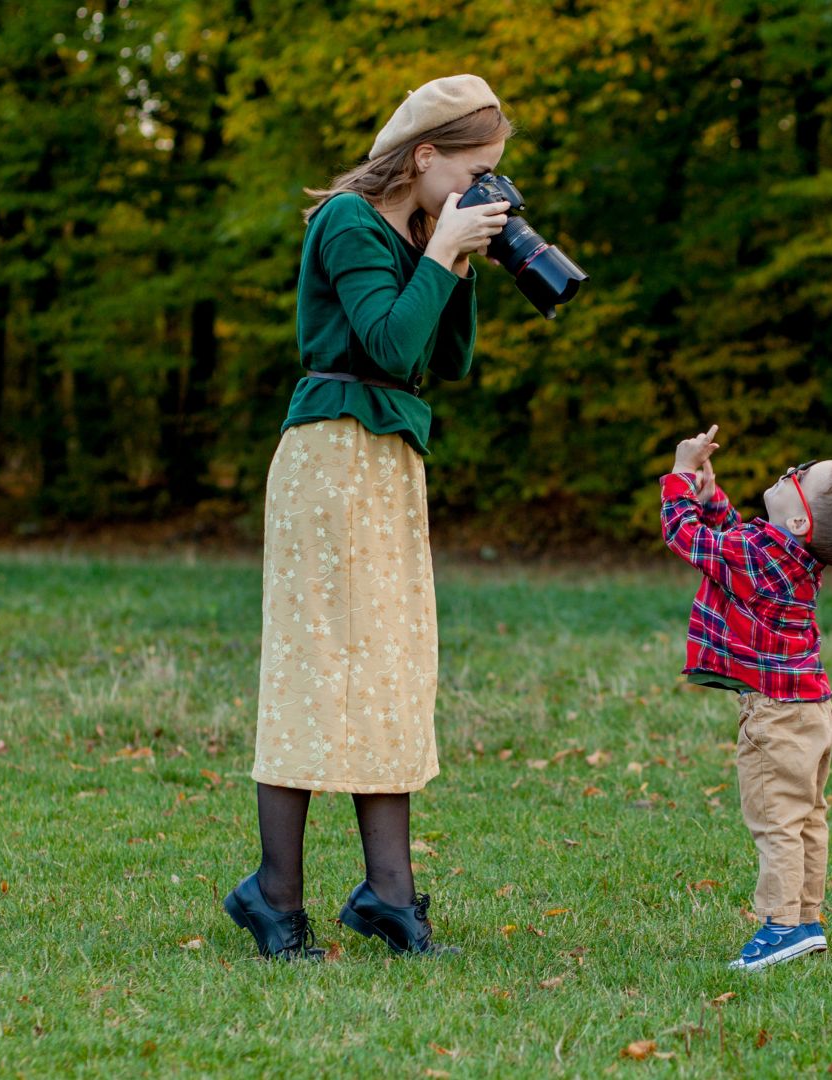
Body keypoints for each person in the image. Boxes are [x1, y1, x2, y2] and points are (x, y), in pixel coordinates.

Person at [224, 75, 513, 959]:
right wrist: (438, 257)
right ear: (426, 157)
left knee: (391, 666)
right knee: (317, 667)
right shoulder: (347, 223)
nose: (484, 189)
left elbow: (446, 359)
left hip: (388, 461)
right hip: (330, 456)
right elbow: (385, 343)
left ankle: (389, 894)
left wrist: (457, 257)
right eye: (475, 170)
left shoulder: (424, 232)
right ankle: (274, 895)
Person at [660, 424, 832, 970]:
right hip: (812, 711)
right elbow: (732, 537)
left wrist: (678, 476)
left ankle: (781, 926)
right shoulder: (783, 554)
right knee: (807, 816)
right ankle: (806, 918)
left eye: (799, 477)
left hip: (777, 717)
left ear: (798, 521)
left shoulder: (763, 558)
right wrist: (709, 495)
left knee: (776, 822)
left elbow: (691, 540)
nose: (789, 473)